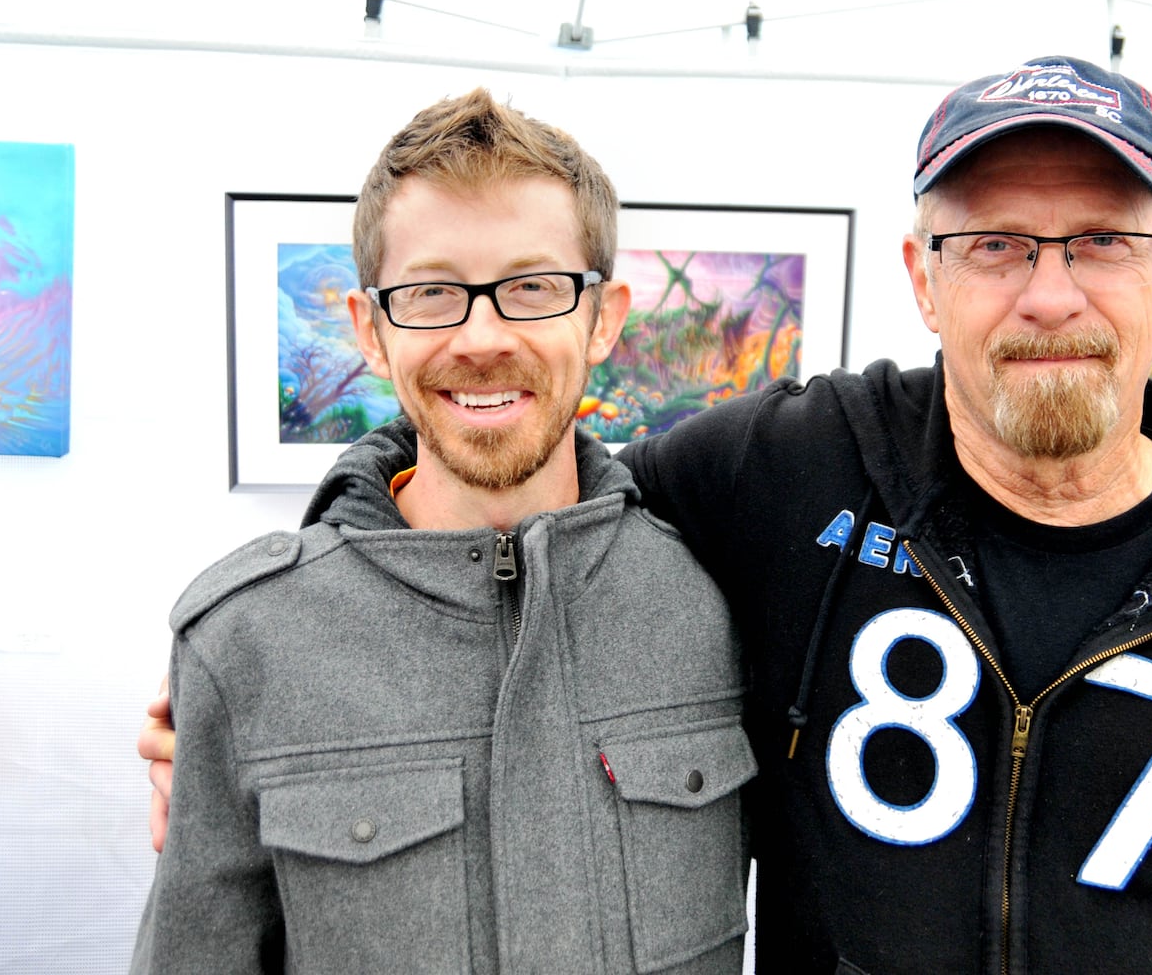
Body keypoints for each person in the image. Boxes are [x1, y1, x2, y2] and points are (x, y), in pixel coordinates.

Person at [143, 55, 1152, 973]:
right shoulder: (789, 473)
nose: (1049, 295)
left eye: (1099, 239)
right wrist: (272, 661)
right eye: (992, 244)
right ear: (920, 277)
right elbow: (511, 498)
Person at [131, 88, 753, 974]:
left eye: (533, 287)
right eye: (431, 293)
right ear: (371, 332)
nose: (483, 335)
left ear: (603, 317)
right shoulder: (247, 640)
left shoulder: (719, 598)